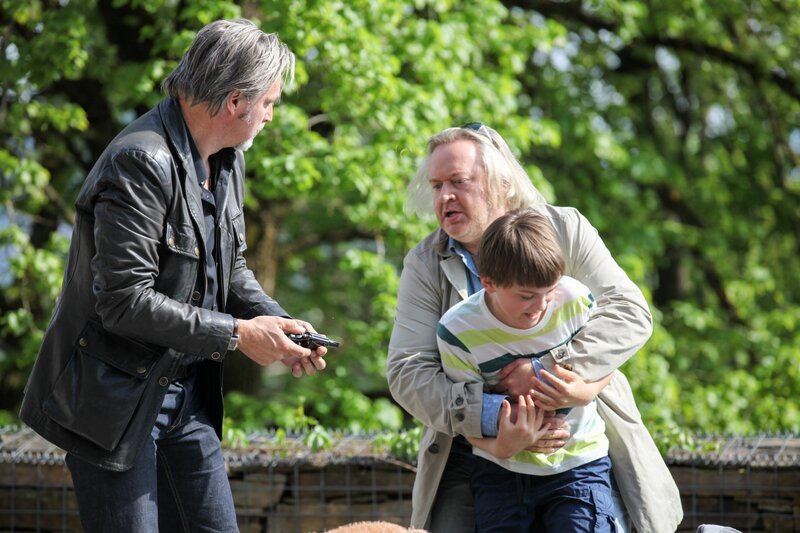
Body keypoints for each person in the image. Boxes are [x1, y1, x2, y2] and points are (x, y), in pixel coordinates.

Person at [19, 19, 326, 532]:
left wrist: (278, 321)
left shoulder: (227, 160)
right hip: (112, 407)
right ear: (235, 102)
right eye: (269, 103)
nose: (271, 116)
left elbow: (231, 270)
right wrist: (237, 334)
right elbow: (123, 300)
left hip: (187, 395)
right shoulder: (140, 160)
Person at [386, 122, 683, 532]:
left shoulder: (564, 229)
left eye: (459, 181)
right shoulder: (424, 264)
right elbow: (407, 371)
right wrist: (498, 419)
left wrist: (546, 373)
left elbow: (628, 311)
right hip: (475, 452)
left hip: (582, 443)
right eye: (436, 186)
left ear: (501, 183)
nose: (445, 197)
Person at [438, 208, 616, 531]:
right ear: (488, 283)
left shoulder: (575, 300)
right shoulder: (458, 330)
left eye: (549, 292)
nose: (542, 306)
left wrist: (587, 390)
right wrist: (503, 446)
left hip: (578, 463)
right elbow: (464, 413)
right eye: (527, 296)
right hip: (500, 473)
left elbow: (608, 358)